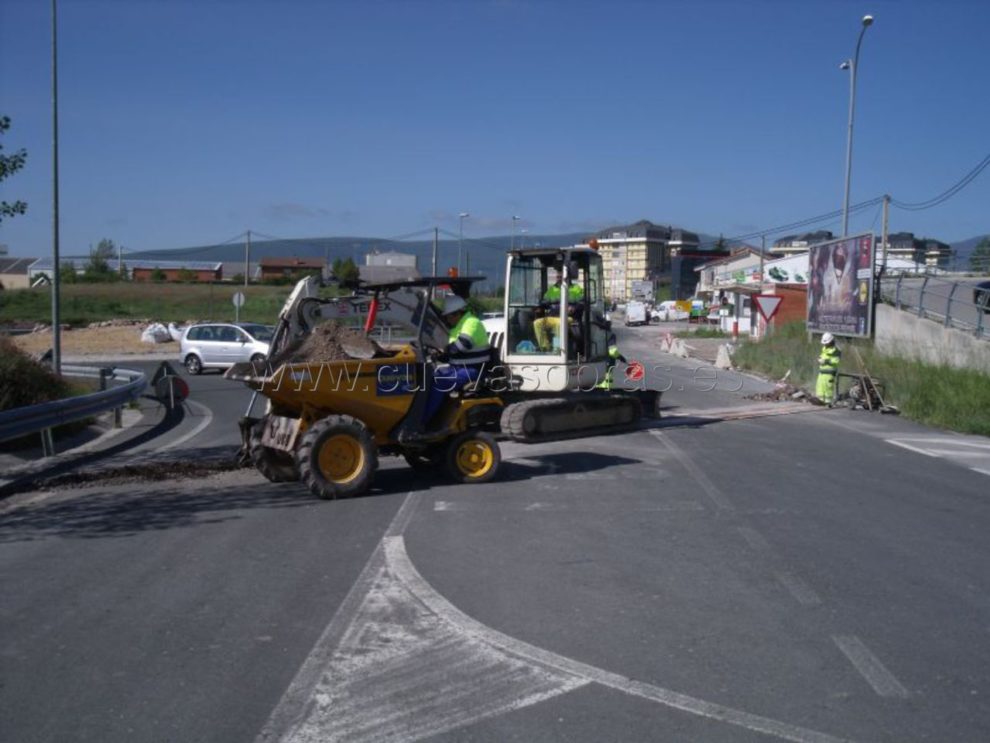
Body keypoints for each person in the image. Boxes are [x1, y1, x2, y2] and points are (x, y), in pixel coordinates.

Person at [398, 295, 491, 442]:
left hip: (472, 370)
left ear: (457, 313)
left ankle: (421, 423)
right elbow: (452, 353)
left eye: (448, 316)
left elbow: (461, 346)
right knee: (427, 378)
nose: (447, 320)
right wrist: (440, 355)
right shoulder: (460, 325)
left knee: (439, 383)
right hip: (459, 367)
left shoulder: (472, 323)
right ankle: (419, 417)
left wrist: (444, 351)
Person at [533, 275, 585, 352]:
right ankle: (545, 348)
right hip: (553, 317)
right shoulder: (552, 289)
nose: (558, 278)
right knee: (537, 323)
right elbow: (544, 302)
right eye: (557, 276)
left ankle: (557, 349)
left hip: (569, 317)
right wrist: (539, 308)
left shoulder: (576, 288)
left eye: (561, 276)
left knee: (559, 324)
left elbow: (582, 303)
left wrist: (574, 308)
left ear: (567, 277)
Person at [816, 332, 841, 405]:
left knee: (828, 387)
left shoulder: (836, 350)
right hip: (822, 372)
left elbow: (836, 361)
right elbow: (823, 356)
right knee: (820, 386)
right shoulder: (824, 348)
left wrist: (825, 361)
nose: (825, 344)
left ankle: (828, 402)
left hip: (830, 372)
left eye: (826, 342)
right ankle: (820, 400)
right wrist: (819, 359)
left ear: (831, 341)